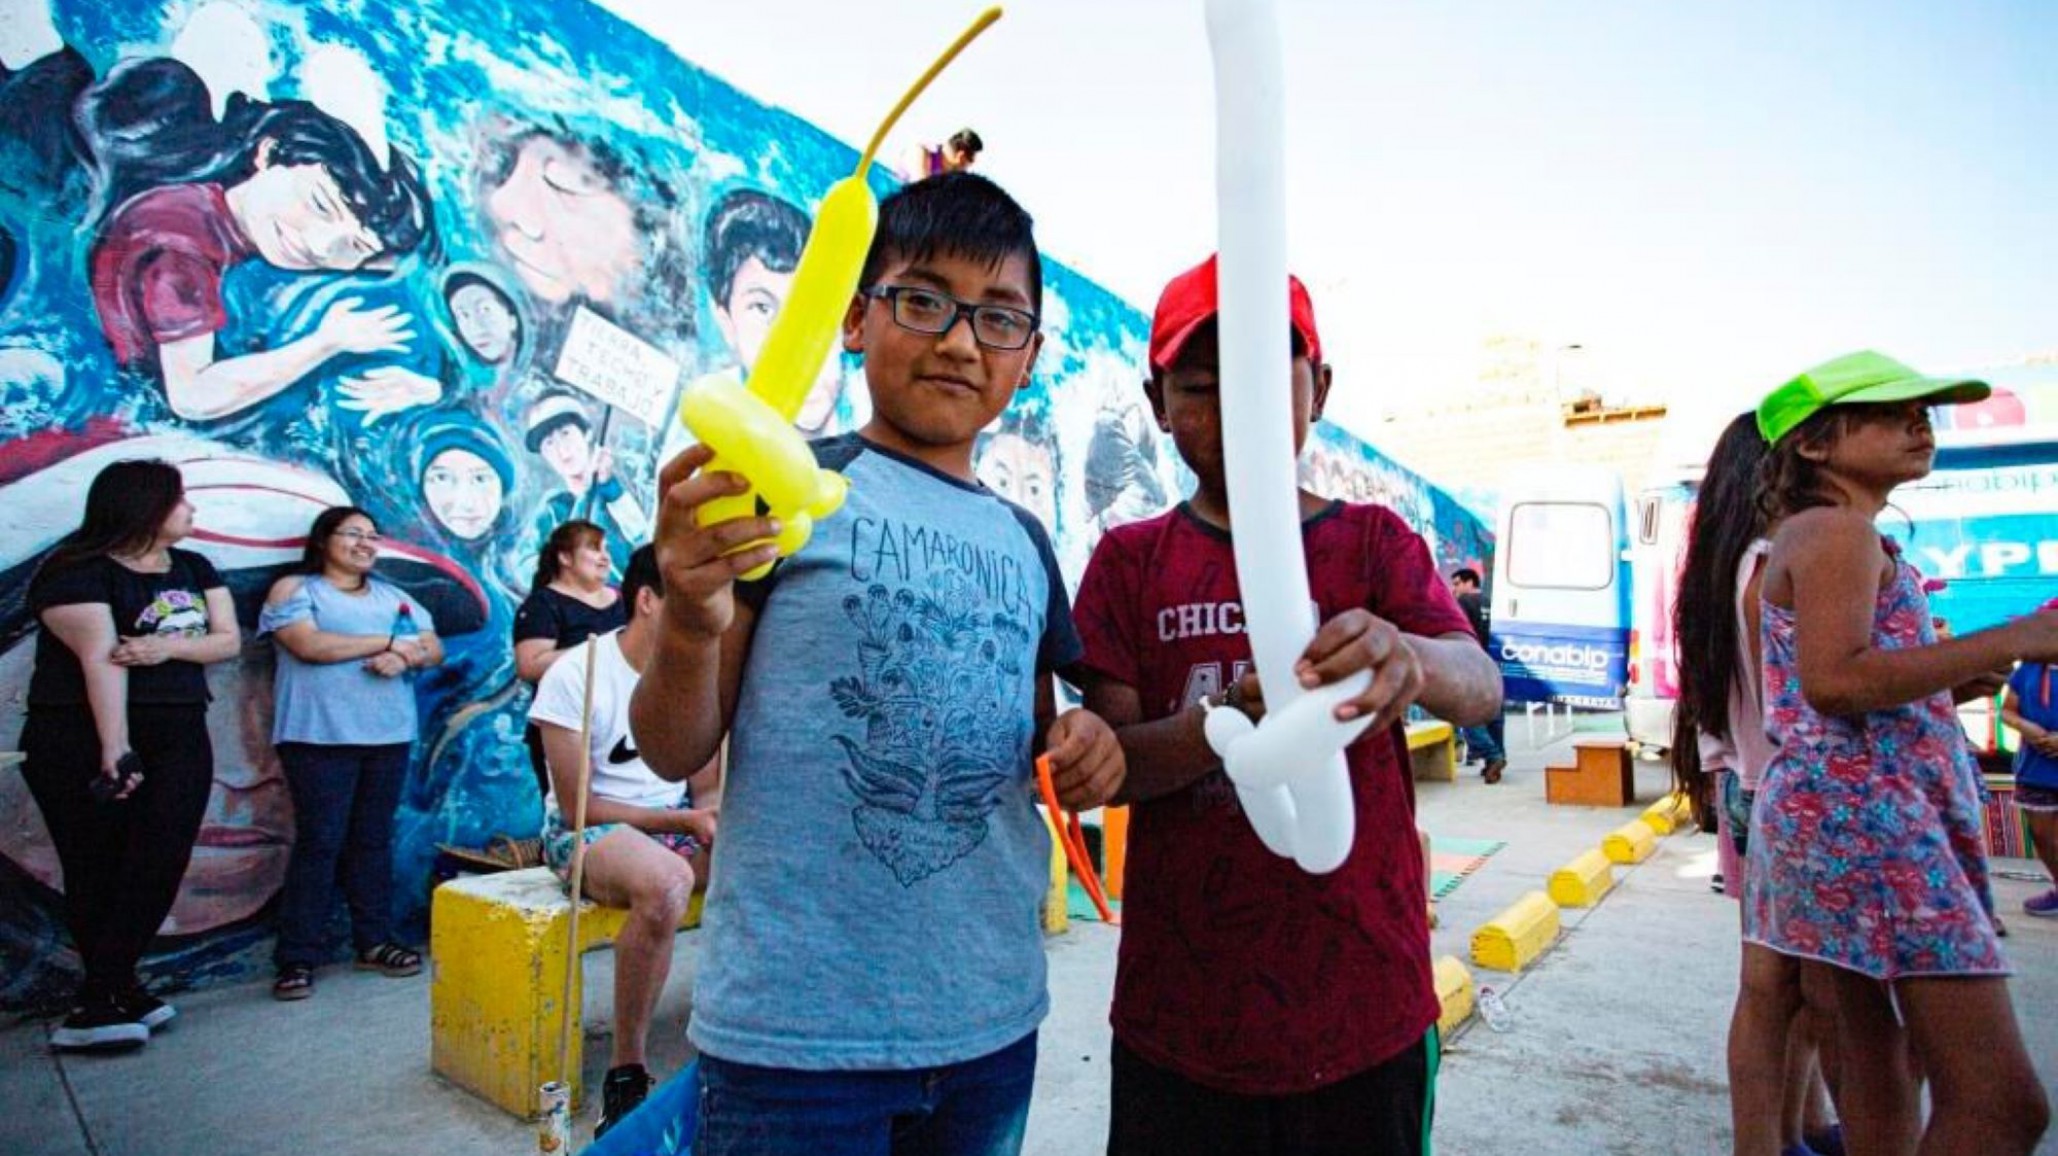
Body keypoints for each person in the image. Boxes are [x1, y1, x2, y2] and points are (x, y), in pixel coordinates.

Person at [633, 171, 1125, 1156]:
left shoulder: (1028, 539)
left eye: (997, 318)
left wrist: (1089, 746)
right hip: (793, 1037)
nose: (957, 339)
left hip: (989, 1016)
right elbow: (673, 741)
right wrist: (691, 616)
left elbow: (1039, 737)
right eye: (923, 299)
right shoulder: (781, 488)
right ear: (854, 318)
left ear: (1027, 359)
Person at [1068, 255, 1500, 1154]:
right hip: (1180, 1020)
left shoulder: (1373, 544)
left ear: (1320, 388)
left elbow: (1478, 683)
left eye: (1269, 379)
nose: (1238, 411)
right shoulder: (1130, 564)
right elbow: (1115, 765)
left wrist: (1406, 656)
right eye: (1201, 386)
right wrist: (1226, 723)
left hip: (1364, 1010)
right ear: (1157, 403)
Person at [1746, 351, 2055, 1155]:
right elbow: (1835, 684)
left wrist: (1952, 682)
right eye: (1891, 411)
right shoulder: (1837, 532)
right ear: (1813, 444)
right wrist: (2017, 636)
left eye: (1926, 410)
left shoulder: (1817, 535)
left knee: (1877, 1065)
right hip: (1877, 829)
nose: (1920, 423)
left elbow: (1831, 695)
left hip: (1838, 820)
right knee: (2003, 1107)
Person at [16, 459, 239, 1050]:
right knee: (97, 867)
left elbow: (226, 640)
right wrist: (116, 750)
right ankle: (105, 998)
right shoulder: (74, 573)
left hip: (179, 729)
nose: (191, 509)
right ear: (143, 504)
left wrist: (166, 646)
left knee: (160, 856)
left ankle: (108, 988)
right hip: (80, 735)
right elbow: (101, 659)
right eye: (179, 498)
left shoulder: (194, 567)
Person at [80, 57, 439, 424]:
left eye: (355, 248)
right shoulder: (181, 243)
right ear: (268, 153)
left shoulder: (223, 228)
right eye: (320, 205)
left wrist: (430, 389)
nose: (319, 246)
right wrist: (327, 342)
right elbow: (193, 396)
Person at [1668, 413, 1836, 1156]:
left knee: (1787, 994)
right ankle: (1770, 1141)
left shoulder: (1727, 564)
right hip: (1783, 789)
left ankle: (1797, 1130)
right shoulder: (1776, 563)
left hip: (1748, 782)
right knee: (1783, 995)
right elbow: (1812, 701)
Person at [528, 544, 717, 1136]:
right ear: (647, 601)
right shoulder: (575, 674)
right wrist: (687, 824)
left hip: (670, 825)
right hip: (586, 833)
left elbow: (705, 789)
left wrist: (712, 819)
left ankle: (751, 1038)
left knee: (768, 860)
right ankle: (626, 1074)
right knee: (666, 882)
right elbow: (578, 804)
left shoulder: (696, 675)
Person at [260, 506, 443, 1001]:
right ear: (324, 540)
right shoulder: (297, 590)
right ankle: (297, 958)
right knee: (320, 842)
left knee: (371, 841)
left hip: (386, 737)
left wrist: (405, 652)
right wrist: (389, 641)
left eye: (371, 536)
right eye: (352, 534)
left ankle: (374, 940)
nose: (365, 543)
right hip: (317, 738)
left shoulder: (395, 597)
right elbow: (307, 644)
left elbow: (433, 647)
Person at [514, 521, 627, 799]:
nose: (605, 557)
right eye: (594, 548)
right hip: (567, 727)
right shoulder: (542, 605)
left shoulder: (626, 599)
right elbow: (529, 665)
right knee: (575, 814)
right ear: (565, 557)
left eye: (606, 549)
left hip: (622, 723)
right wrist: (600, 650)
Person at [523, 389, 648, 579]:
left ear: (587, 434)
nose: (562, 450)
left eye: (566, 433)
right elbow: (527, 569)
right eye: (548, 443)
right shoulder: (552, 511)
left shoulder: (623, 489)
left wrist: (609, 488)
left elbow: (643, 537)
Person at [1999, 606, 2058, 917]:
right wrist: (2028, 728)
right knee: (2043, 834)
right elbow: (2007, 710)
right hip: (2036, 768)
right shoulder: (2028, 670)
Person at [1447, 566, 1506, 783]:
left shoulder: (1463, 603)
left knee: (1468, 713)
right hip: (1496, 664)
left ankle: (1492, 754)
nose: (1454, 589)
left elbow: (1459, 632)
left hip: (1473, 665)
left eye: (1457, 583)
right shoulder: (1491, 603)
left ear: (1469, 583)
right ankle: (1497, 757)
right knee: (1495, 713)